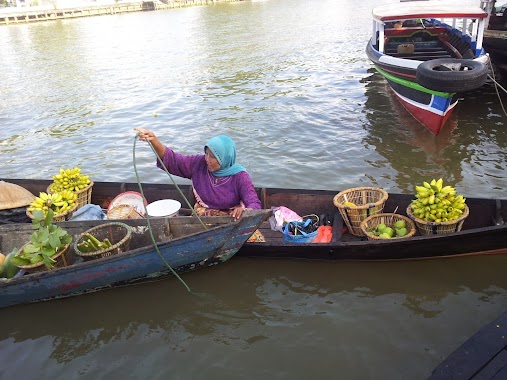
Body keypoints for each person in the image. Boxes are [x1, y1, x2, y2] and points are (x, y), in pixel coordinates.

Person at [134, 128, 262, 223]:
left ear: (225, 158)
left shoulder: (240, 176)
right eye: (206, 154)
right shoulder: (199, 163)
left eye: (213, 157)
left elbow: (253, 202)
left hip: (231, 218)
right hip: (204, 216)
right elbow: (173, 160)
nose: (207, 159)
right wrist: (154, 141)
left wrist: (246, 211)